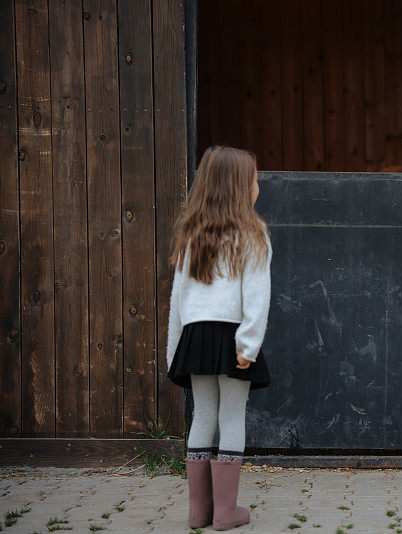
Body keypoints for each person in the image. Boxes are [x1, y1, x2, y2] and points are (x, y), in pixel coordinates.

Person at [165, 145, 272, 530]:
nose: (258, 186)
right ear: (240, 188)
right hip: (231, 336)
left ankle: (198, 512)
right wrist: (249, 345)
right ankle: (226, 512)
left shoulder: (191, 234)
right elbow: (257, 297)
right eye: (254, 180)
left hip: (195, 337)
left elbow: (178, 298)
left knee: (202, 416)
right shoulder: (253, 232)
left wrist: (174, 351)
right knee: (230, 416)